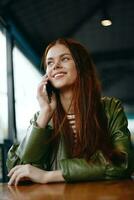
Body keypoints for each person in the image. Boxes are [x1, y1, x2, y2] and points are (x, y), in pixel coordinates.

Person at [7, 38, 134, 186]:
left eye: (65, 59)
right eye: (50, 62)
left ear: (81, 66)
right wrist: (45, 112)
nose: (55, 66)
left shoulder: (110, 108)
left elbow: (123, 163)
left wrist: (48, 176)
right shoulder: (42, 117)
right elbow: (18, 169)